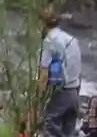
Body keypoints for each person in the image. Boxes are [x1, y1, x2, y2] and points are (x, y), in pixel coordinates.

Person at [39, 9, 82, 137]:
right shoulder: (72, 40)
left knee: (49, 127)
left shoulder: (49, 41)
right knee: (69, 132)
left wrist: (38, 100)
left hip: (60, 94)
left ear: (42, 23)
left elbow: (44, 74)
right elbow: (79, 70)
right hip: (74, 93)